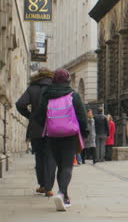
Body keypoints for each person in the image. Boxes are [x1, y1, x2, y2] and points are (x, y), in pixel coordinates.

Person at [35, 69, 87, 211]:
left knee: (59, 165)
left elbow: (39, 116)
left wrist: (48, 126)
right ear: (67, 80)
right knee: (67, 166)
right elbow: (82, 117)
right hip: (69, 136)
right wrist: (85, 132)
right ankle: (62, 193)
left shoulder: (47, 95)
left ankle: (64, 195)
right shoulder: (73, 95)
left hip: (52, 136)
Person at [15, 67, 56, 197]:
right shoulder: (55, 87)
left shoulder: (32, 88)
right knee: (51, 157)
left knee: (39, 156)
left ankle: (42, 185)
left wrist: (30, 115)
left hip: (36, 127)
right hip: (53, 127)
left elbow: (20, 104)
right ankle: (49, 188)